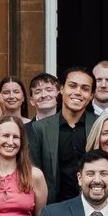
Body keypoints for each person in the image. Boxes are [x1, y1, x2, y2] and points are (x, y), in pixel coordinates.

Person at [26, 67, 96, 203]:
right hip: (54, 210)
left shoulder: (99, 124)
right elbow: (34, 175)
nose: (78, 92)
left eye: (85, 89)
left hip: (93, 207)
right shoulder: (40, 128)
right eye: (72, 86)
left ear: (91, 96)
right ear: (62, 89)